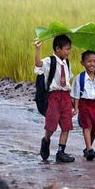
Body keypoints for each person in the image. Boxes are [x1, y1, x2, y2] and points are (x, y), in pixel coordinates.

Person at [34, 35, 75, 163]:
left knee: (66, 125)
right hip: (53, 96)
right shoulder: (49, 61)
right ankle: (46, 140)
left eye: (69, 49)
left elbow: (68, 81)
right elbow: (38, 63)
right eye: (66, 49)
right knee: (51, 125)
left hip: (66, 96)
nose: (68, 52)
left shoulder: (67, 63)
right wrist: (37, 49)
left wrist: (72, 100)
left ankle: (61, 152)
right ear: (57, 49)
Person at [71, 50, 95, 161]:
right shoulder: (79, 78)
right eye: (89, 61)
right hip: (84, 104)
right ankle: (89, 149)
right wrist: (76, 108)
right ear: (82, 63)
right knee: (87, 126)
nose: (92, 64)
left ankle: (88, 148)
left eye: (94, 61)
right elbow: (76, 94)